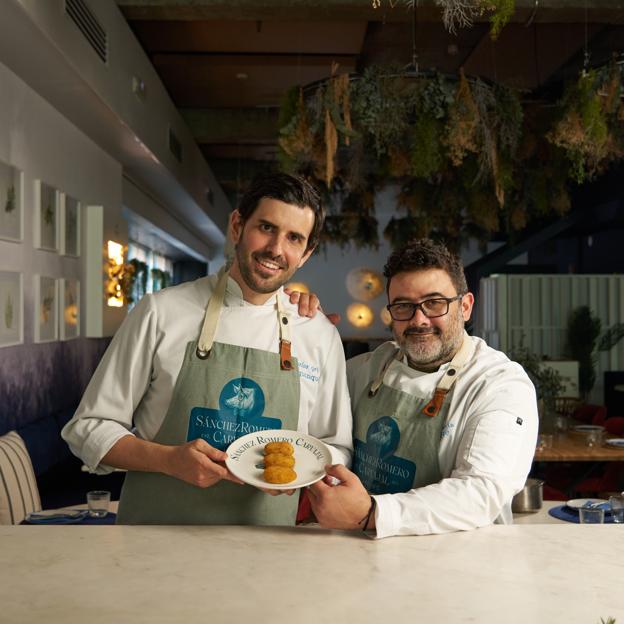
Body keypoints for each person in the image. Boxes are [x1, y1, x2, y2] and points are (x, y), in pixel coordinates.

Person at [62, 173, 353, 525]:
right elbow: (89, 427)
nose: (276, 249)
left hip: (269, 553)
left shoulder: (318, 334)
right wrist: (167, 460)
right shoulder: (160, 312)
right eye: (266, 227)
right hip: (154, 543)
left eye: (294, 238)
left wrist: (303, 473)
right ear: (237, 226)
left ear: (306, 254)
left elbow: (334, 447)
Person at [303, 238, 538, 538]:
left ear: (465, 307)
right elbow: (311, 407)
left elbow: (481, 491)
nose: (419, 320)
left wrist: (371, 513)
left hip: (459, 567)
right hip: (362, 554)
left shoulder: (499, 384)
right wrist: (307, 336)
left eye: (434, 303)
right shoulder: (370, 367)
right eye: (403, 306)